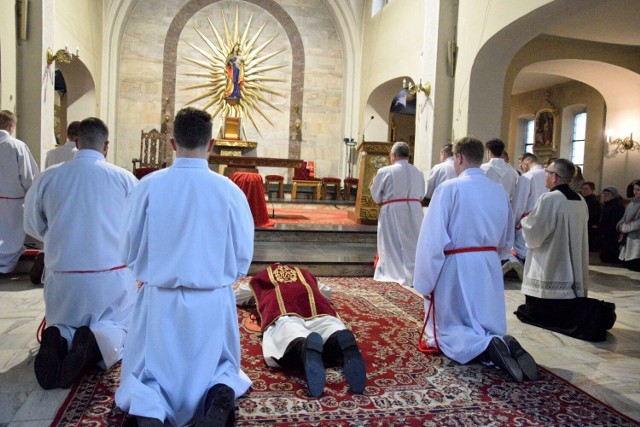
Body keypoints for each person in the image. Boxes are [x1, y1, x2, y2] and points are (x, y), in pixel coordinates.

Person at [116, 107, 254, 427]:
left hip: (159, 299)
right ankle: (216, 395)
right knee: (219, 365)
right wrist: (219, 278)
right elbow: (242, 254)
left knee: (148, 371)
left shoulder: (148, 186)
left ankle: (149, 407)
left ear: (173, 143)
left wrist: (152, 271)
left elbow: (128, 247)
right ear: (212, 144)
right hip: (211, 300)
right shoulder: (230, 190)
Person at [23, 117, 138, 390]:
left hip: (63, 277)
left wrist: (60, 240)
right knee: (120, 326)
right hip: (110, 280)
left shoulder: (49, 176)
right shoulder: (123, 178)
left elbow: (32, 226)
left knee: (64, 320)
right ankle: (93, 342)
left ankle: (57, 336)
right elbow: (137, 227)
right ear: (106, 145)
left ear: (76, 140)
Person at [414, 136, 537, 383]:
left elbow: (432, 239)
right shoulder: (498, 191)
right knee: (483, 318)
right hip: (489, 263)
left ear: (458, 158)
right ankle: (499, 340)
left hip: (457, 265)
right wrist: (496, 256)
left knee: (448, 330)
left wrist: (425, 281)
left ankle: (486, 346)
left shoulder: (449, 188)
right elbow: (506, 236)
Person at [515, 159, 616, 342]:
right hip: (572, 264)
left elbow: (535, 231)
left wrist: (524, 222)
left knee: (533, 311)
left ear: (555, 177)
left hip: (551, 263)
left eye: (547, 171)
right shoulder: (580, 200)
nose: (545, 175)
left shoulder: (550, 199)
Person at [236, 263, 366, 398]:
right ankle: (339, 340)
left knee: (289, 331)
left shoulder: (261, 277)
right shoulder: (305, 273)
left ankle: (304, 348)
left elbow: (239, 296)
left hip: (284, 311)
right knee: (330, 325)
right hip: (319, 309)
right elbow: (326, 293)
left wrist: (258, 299)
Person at [370, 141, 425, 287]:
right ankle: (413, 276)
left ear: (393, 155)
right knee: (412, 243)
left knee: (391, 242)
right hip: (414, 209)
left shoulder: (385, 171)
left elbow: (375, 194)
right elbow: (422, 193)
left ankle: (393, 274)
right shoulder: (418, 172)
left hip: (393, 209)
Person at [0, 110, 39, 274]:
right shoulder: (16, 146)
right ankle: (4, 266)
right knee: (9, 238)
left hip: (9, 198)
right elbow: (29, 176)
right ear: (10, 126)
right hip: (12, 201)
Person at [508, 153, 547, 270]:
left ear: (525, 163)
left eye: (520, 165)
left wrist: (513, 223)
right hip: (546, 220)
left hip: (529, 222)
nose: (521, 168)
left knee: (526, 252)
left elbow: (519, 203)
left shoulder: (527, 177)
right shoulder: (548, 175)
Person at [617, 181, 640, 271]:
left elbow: (638, 223)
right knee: (627, 264)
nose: (635, 191)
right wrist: (619, 225)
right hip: (629, 238)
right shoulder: (632, 203)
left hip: (637, 238)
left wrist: (624, 228)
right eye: (634, 189)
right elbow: (624, 217)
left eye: (638, 189)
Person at [599, 187, 625, 263]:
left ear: (614, 196)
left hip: (612, 234)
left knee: (609, 256)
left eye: (608, 194)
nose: (605, 196)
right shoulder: (607, 205)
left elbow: (615, 221)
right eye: (604, 194)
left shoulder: (617, 206)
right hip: (606, 233)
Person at [581, 181, 602, 251]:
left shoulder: (594, 201)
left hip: (590, 227)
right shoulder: (582, 199)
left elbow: (594, 215)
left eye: (586, 189)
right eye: (582, 189)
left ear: (592, 190)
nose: (583, 191)